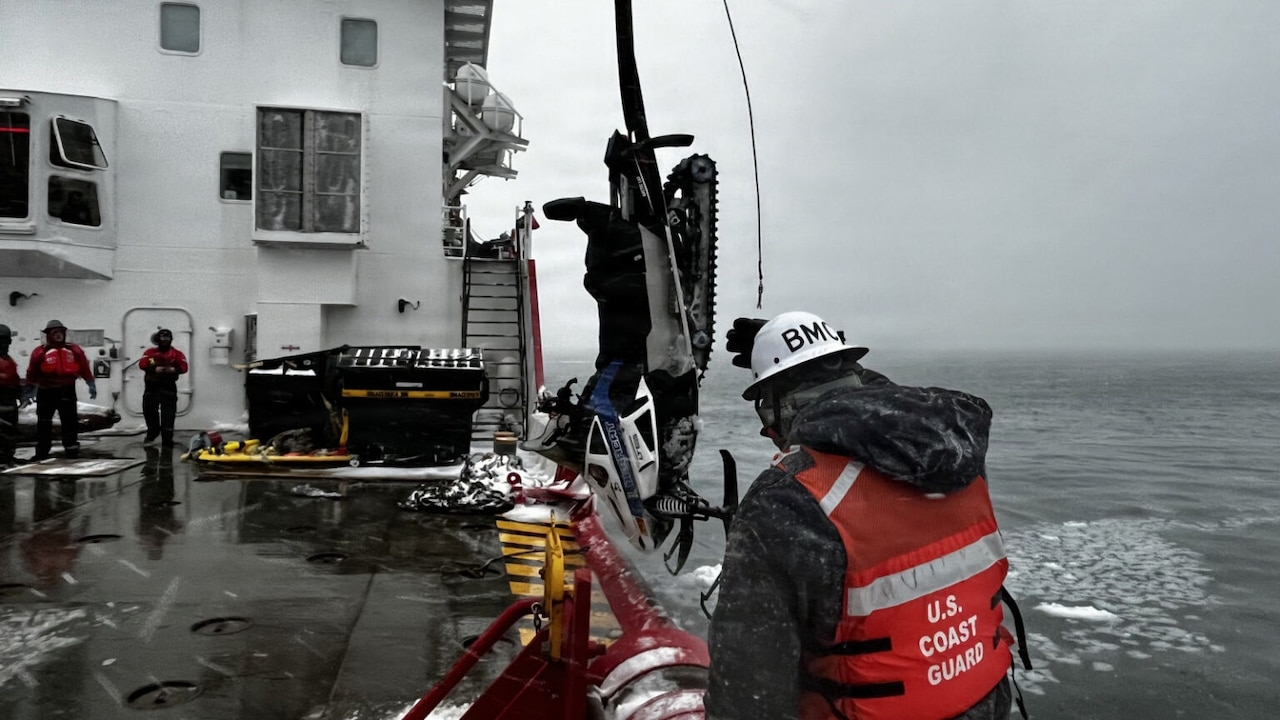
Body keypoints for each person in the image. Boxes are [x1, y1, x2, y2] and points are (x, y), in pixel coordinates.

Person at [705, 311, 1027, 720]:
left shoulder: (786, 501)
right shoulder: (950, 451)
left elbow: (748, 690)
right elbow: (882, 413)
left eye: (767, 415)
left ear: (782, 410)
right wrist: (806, 352)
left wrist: (795, 356)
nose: (767, 432)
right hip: (986, 706)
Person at [24, 319, 96, 461]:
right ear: (49, 334)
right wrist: (29, 389)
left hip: (67, 390)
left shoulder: (74, 350)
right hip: (46, 391)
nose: (58, 335)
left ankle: (71, 451)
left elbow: (84, 367)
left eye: (61, 332)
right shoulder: (40, 352)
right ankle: (42, 452)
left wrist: (91, 383)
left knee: (70, 422)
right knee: (44, 423)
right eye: (55, 332)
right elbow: (32, 371)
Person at [138, 328, 188, 446]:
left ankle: (167, 438)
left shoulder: (176, 353)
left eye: (167, 339)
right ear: (158, 340)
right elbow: (144, 363)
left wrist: (173, 369)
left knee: (169, 414)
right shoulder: (151, 353)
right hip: (152, 387)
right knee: (149, 412)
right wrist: (155, 368)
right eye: (162, 339)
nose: (165, 341)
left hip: (168, 387)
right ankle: (152, 433)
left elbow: (184, 366)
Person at [0, 324, 20, 466]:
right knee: (4, 429)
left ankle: (6, 456)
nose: (6, 345)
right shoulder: (6, 359)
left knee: (9, 429)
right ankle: (3, 457)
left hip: (9, 398)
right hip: (4, 397)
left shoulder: (8, 359)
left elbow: (13, 378)